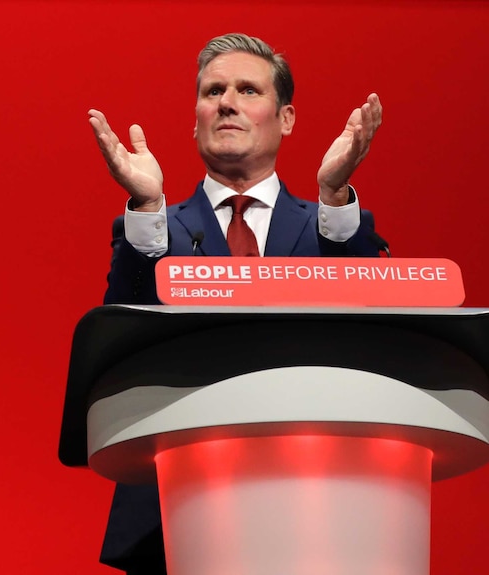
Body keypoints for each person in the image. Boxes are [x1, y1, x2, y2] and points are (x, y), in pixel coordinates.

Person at [86, 33, 383, 575]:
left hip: (315, 502)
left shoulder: (330, 227)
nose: (226, 102)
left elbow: (375, 321)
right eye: (213, 91)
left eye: (248, 89)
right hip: (173, 511)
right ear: (195, 117)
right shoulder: (153, 230)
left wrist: (336, 199)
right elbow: (121, 333)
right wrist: (147, 207)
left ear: (286, 118)